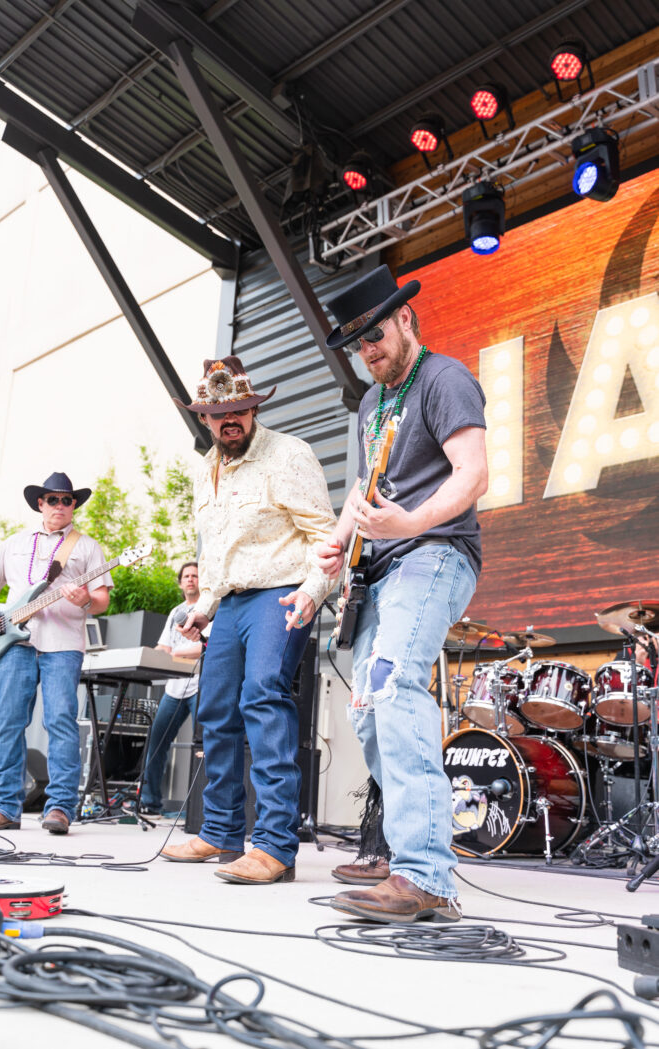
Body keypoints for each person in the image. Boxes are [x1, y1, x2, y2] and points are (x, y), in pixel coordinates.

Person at [317, 265, 488, 923]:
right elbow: (363, 494)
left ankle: (427, 876)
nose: (369, 351)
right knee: (366, 710)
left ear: (406, 319)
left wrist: (411, 522)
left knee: (391, 686)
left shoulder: (445, 380)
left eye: (376, 335)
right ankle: (407, 853)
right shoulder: (370, 403)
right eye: (358, 343)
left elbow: (474, 475)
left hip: (436, 554)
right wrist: (333, 554)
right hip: (380, 568)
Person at [160, 356, 337, 883]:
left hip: (281, 593)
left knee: (262, 695)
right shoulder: (205, 468)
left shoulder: (289, 455)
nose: (229, 420)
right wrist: (201, 607)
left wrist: (312, 590)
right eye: (218, 414)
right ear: (204, 419)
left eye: (238, 409)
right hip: (231, 603)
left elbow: (324, 535)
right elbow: (215, 552)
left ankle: (276, 846)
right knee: (214, 711)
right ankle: (218, 831)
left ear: (253, 407)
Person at [0, 472, 112, 835]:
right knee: (8, 723)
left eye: (68, 500)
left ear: (74, 506)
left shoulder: (87, 547)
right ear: (40, 503)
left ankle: (61, 808)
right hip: (14, 643)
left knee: (61, 723)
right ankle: (5, 807)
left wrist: (85, 600)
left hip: (62, 646)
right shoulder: (14, 542)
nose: (61, 506)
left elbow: (101, 600)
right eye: (54, 499)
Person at [137, 561, 206, 816]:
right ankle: (150, 802)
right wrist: (143, 657)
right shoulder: (176, 611)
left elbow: (207, 647)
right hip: (174, 689)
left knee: (204, 745)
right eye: (186, 576)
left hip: (199, 685)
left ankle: (201, 810)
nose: (190, 579)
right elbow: (163, 649)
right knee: (156, 743)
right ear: (180, 583)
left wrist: (177, 652)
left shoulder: (207, 610)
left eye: (195, 576)